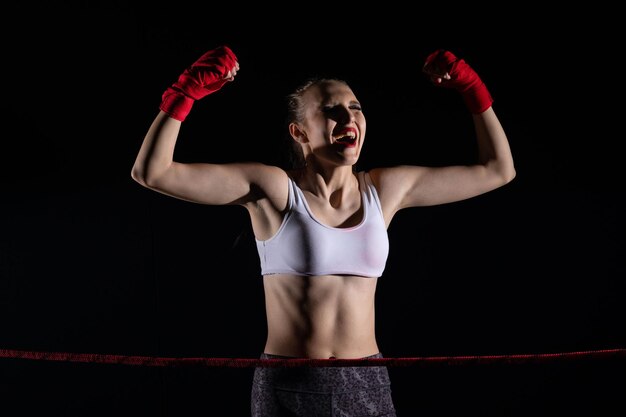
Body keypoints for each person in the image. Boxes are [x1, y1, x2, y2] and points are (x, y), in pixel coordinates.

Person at [131, 45, 515, 417]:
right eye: (331, 110)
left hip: (365, 379)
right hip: (289, 380)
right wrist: (186, 93)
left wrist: (472, 90)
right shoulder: (275, 190)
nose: (348, 118)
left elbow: (499, 170)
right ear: (299, 133)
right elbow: (152, 173)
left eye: (355, 108)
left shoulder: (386, 189)